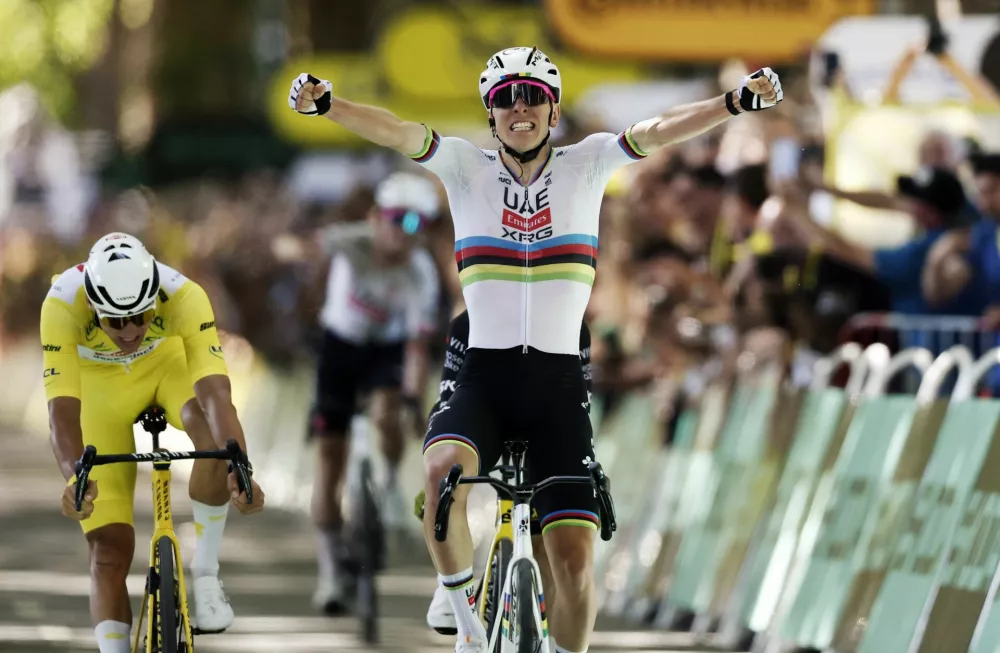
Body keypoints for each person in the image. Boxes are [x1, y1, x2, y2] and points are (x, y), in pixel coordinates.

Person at [288, 46, 782, 653]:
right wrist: (330, 105)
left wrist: (734, 103)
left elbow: (659, 128)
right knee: (442, 477)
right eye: (504, 99)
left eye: (532, 97)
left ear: (552, 109)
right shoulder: (465, 165)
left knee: (573, 561)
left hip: (557, 382)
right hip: (484, 374)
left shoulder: (589, 162)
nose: (518, 108)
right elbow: (396, 130)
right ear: (490, 113)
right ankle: (467, 627)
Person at [42, 233, 265, 653]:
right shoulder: (60, 304)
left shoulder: (185, 295)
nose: (130, 331)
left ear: (154, 297)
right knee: (108, 550)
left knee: (213, 436)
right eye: (115, 321)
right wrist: (75, 477)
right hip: (99, 392)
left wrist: (242, 468)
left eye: (141, 316)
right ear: (92, 305)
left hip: (166, 368)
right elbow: (62, 413)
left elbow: (217, 396)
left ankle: (205, 574)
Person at [307, 171, 441, 614]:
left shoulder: (421, 272)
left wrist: (414, 401)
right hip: (340, 346)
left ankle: (386, 483)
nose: (403, 234)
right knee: (329, 457)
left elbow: (418, 349)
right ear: (374, 218)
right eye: (395, 220)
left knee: (390, 411)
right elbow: (305, 248)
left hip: (386, 349)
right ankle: (329, 569)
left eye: (415, 225)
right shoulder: (348, 242)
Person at [422, 310, 592, 635]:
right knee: (444, 476)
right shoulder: (467, 323)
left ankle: (542, 633)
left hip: (548, 418)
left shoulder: (574, 324)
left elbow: (583, 400)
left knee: (549, 540)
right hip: (483, 414)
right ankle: (452, 582)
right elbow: (447, 397)